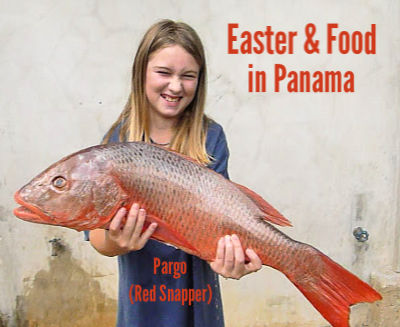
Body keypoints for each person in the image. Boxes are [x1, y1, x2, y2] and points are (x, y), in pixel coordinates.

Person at [85, 19, 262, 327]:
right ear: (141, 72)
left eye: (188, 76)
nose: (176, 86)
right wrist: (118, 241)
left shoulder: (210, 138)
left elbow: (225, 227)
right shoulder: (117, 142)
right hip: (141, 305)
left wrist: (232, 260)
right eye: (164, 72)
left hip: (198, 306)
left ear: (200, 81)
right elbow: (98, 238)